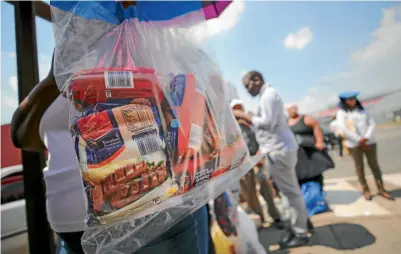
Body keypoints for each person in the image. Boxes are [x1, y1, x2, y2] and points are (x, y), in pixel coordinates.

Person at [11, 54, 211, 254]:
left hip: (153, 226)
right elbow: (21, 136)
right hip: (69, 235)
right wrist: (55, 76)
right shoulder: (62, 72)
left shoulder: (137, 46)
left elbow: (187, 121)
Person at [233, 71, 309, 248]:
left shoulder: (268, 96)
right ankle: (299, 225)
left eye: (248, 86)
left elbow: (267, 123)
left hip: (279, 150)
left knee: (290, 193)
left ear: (257, 80)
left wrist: (244, 115)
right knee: (289, 192)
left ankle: (300, 232)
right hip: (278, 149)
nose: (247, 90)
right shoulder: (267, 96)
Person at [230, 99, 284, 229]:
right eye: (235, 108)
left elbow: (262, 139)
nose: (238, 110)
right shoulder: (231, 127)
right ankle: (260, 219)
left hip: (258, 161)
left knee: (266, 189)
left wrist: (259, 156)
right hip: (243, 165)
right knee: (250, 194)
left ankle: (275, 216)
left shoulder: (250, 123)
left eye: (239, 107)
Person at [336, 91, 394, 201]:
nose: (352, 100)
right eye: (349, 99)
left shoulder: (363, 110)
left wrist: (366, 137)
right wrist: (358, 139)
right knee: (359, 168)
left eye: (353, 98)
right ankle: (366, 190)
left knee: (374, 166)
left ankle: (381, 189)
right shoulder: (342, 113)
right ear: (344, 101)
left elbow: (372, 123)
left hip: (369, 142)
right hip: (354, 144)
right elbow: (343, 129)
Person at [287, 104, 334, 189]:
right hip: (296, 153)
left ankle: (319, 194)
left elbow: (317, 127)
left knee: (315, 172)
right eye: (291, 109)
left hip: (310, 149)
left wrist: (319, 141)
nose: (293, 111)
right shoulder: (286, 121)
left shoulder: (306, 118)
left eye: (294, 109)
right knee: (299, 175)